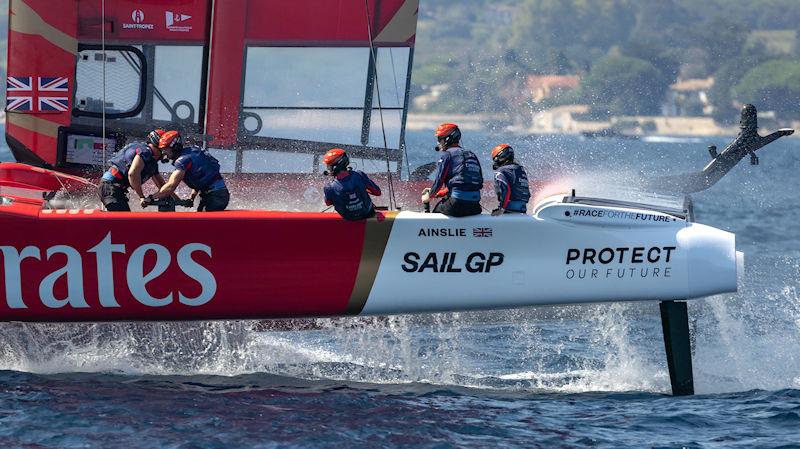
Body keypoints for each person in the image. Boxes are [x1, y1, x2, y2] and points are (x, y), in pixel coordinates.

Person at [148, 130, 229, 211]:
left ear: (174, 147)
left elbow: (170, 186)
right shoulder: (192, 152)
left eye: (165, 149)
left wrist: (151, 198)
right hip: (218, 194)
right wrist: (192, 198)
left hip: (215, 196)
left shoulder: (182, 161)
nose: (163, 153)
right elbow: (200, 178)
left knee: (202, 222)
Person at [98, 128, 169, 211]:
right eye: (164, 149)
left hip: (114, 188)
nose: (165, 153)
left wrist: (178, 200)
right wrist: (141, 197)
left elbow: (164, 186)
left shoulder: (151, 162)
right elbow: (132, 174)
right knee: (124, 221)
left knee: (125, 219)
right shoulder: (146, 152)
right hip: (110, 187)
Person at [421, 123, 483, 217]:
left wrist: (429, 197)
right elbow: (466, 180)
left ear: (447, 139)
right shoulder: (471, 154)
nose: (438, 143)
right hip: (475, 206)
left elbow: (439, 181)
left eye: (439, 139)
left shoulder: (447, 155)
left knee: (437, 211)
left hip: (456, 204)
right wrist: (444, 192)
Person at [322, 148, 382, 220]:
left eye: (329, 166)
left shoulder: (329, 188)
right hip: (368, 215)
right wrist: (364, 189)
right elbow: (378, 192)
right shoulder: (359, 175)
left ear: (333, 168)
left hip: (348, 220)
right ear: (345, 161)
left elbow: (328, 203)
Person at [490, 144, 531, 216]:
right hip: (523, 211)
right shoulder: (520, 169)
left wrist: (501, 210)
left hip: (510, 211)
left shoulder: (500, 171)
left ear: (498, 158)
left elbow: (506, 190)